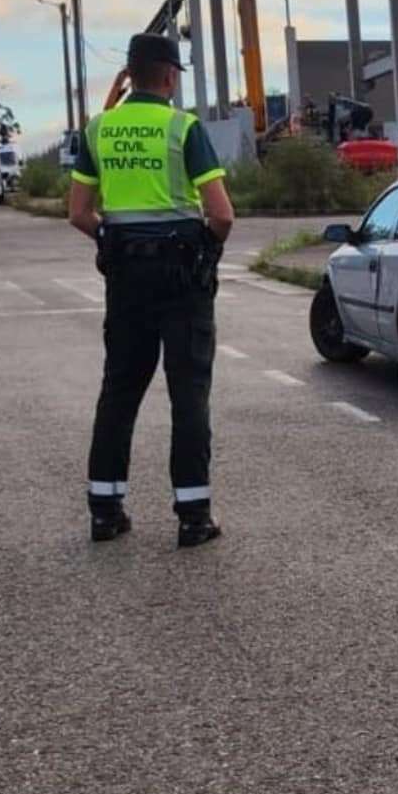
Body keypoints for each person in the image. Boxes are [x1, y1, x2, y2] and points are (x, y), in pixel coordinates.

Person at [67, 33, 236, 547]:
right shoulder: (182, 128)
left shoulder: (97, 129)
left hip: (125, 276)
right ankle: (192, 516)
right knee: (188, 393)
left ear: (129, 75)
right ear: (168, 76)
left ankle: (105, 509)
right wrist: (204, 249)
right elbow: (222, 213)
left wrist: (113, 240)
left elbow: (77, 212)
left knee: (119, 389)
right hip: (181, 276)